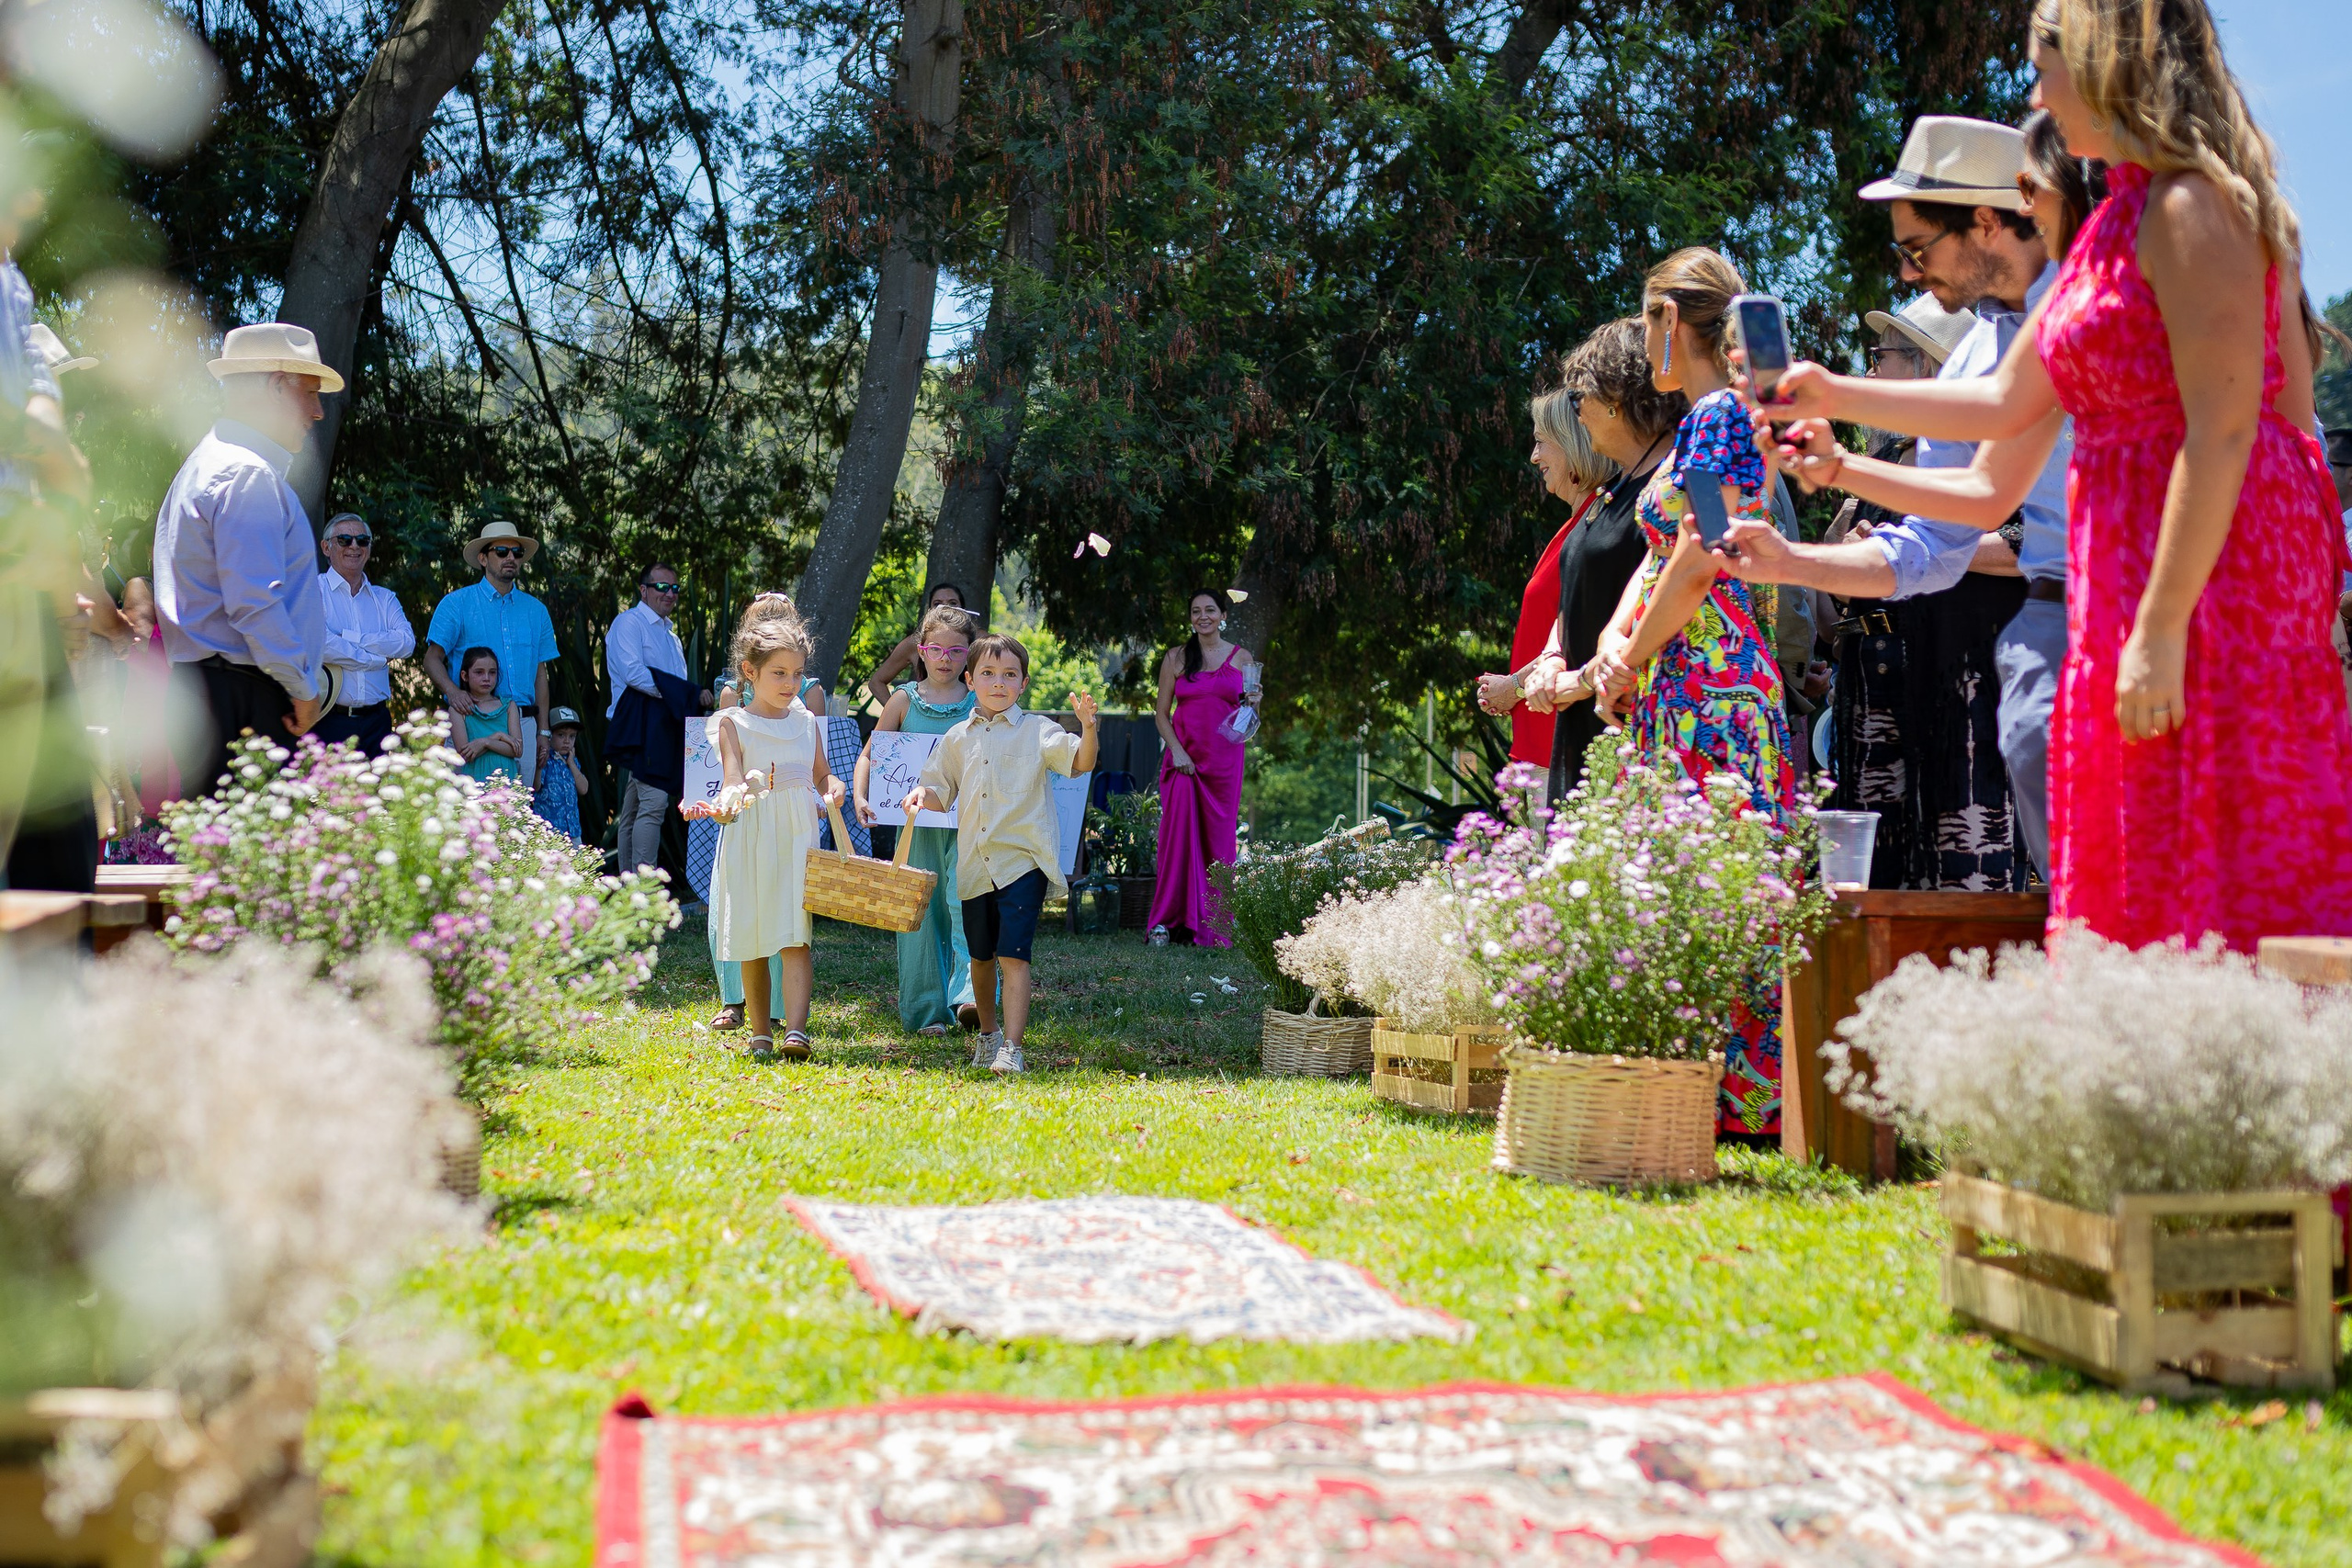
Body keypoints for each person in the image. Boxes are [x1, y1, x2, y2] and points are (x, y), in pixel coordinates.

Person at [1756, 0, 2352, 951]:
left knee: (2220, 863)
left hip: (2209, 574)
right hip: (2122, 567)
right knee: (2127, 861)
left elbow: (2230, 430)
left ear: (2106, 63)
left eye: (2044, 69)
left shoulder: (2195, 205)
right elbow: (2001, 407)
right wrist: (1828, 392)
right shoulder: (2111, 226)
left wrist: (2160, 630)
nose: (2032, 96)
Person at [1717, 115, 2075, 882]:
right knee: (2091, 905)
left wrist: (1837, 415)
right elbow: (1930, 547)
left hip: (2157, 613)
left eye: (1918, 250)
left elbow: (1996, 449)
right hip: (2051, 630)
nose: (1910, 276)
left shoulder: (2087, 301)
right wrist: (1792, 558)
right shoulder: (1978, 346)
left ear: (1986, 220)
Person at [1589, 248, 1797, 1136]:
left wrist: (1630, 654)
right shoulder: (1710, 424)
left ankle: (1731, 1100)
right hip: (1687, 675)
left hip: (1712, 685)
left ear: (1672, 321)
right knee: (1692, 883)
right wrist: (1611, 642)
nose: (1643, 345)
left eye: (1645, 323)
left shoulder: (1717, 417)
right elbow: (1660, 553)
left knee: (1718, 887)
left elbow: (1707, 552)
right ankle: (1695, 1090)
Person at [1819, 292, 2031, 891]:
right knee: (1879, 878)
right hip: (1878, 698)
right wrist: (1855, 548)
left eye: (1880, 356)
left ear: (1927, 369)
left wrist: (1930, 554)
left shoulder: (1997, 454)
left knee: (1963, 868)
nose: (1869, 371)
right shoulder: (1881, 460)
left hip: (1961, 691)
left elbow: (2029, 544)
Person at [1499, 321, 1684, 802]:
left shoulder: (1673, 483)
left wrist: (1584, 678)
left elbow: (1673, 587)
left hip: (1635, 723)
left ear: (1615, 399)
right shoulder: (1616, 489)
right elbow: (1576, 598)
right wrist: (1554, 653)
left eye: (1581, 395)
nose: (1576, 409)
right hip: (1580, 720)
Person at [153, 323, 334, 801]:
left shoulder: (207, 462)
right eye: (310, 393)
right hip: (245, 694)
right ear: (276, 385)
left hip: (214, 690)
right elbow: (254, 601)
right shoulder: (246, 472)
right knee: (254, 866)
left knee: (223, 860)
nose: (317, 412)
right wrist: (302, 689)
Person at [906, 634, 1101, 1075]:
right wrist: (921, 795)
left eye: (1009, 674)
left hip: (1022, 863)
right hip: (975, 865)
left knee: (1015, 955)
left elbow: (1081, 762)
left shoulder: (1039, 731)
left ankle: (1013, 1048)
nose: (999, 683)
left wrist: (1087, 727)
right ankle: (988, 1038)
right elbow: (939, 788)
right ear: (970, 680)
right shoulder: (957, 738)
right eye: (989, 674)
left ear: (1024, 682)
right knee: (980, 957)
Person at [694, 610, 841, 1062]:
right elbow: (733, 778)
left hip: (798, 832)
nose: (790, 683)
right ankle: (760, 1032)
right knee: (754, 933)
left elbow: (822, 776)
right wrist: (725, 805)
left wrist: (832, 789)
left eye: (797, 673)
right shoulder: (731, 723)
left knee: (796, 932)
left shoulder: (807, 722)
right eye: (779, 673)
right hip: (753, 830)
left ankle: (796, 1030)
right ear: (749, 672)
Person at [1475, 384, 1616, 768]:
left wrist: (1514, 687)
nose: (1534, 456)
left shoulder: (1599, 526)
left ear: (1572, 443)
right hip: (1545, 744)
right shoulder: (1577, 524)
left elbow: (1583, 635)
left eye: (1541, 442)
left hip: (1568, 751)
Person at [854, 602, 979, 1036]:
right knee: (919, 913)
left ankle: (971, 998)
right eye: (937, 649)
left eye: (957, 651)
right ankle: (928, 1013)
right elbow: (872, 753)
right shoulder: (905, 700)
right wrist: (859, 793)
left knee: (969, 905)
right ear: (920, 651)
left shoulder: (981, 701)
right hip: (915, 827)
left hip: (968, 826)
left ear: (970, 653)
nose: (946, 659)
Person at [1147, 589, 1256, 945]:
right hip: (1184, 762)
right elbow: (1161, 714)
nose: (1203, 616)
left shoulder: (1242, 659)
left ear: (1223, 615)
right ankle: (1168, 921)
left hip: (1224, 764)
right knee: (1176, 840)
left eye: (1210, 610)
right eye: (1196, 611)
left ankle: (1217, 922)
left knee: (1219, 840)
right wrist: (1177, 751)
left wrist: (1255, 703)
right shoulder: (1176, 657)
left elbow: (1250, 718)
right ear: (1190, 617)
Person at [423, 519, 556, 791]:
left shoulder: (536, 611)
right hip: (471, 721)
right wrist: (453, 691)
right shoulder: (456, 604)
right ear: (483, 558)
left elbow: (540, 675)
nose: (511, 557)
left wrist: (543, 731)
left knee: (519, 817)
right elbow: (431, 659)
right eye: (502, 551)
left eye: (517, 553)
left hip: (524, 724)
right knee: (466, 814)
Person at [605, 560, 694, 874]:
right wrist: (684, 695)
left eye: (674, 588)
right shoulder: (628, 624)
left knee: (633, 810)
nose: (669, 594)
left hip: (664, 729)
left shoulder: (673, 638)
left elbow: (676, 683)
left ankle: (630, 887)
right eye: (661, 587)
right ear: (643, 590)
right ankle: (645, 892)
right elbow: (633, 675)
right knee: (654, 806)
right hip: (639, 728)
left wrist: (683, 697)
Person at [312, 512, 413, 755]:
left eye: (362, 540)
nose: (354, 546)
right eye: (345, 540)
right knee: (329, 793)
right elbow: (319, 643)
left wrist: (351, 638)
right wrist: (375, 660)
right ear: (326, 547)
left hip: (377, 722)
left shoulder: (384, 598)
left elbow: (407, 643)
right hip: (329, 720)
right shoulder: (314, 590)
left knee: (377, 792)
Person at [865, 581, 971, 706]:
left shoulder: (980, 641)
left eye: (953, 603)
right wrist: (900, 714)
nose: (945, 607)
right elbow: (877, 682)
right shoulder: (913, 643)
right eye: (937, 603)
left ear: (963, 609)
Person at [449, 647, 521, 783]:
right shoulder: (458, 710)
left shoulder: (509, 706)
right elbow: (466, 754)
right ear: (465, 676)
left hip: (506, 782)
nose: (486, 678)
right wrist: (498, 736)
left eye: (492, 672)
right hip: (475, 782)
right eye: (479, 672)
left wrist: (484, 742)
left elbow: (517, 750)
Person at [533, 705, 589, 840]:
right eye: (561, 735)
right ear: (550, 735)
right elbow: (535, 787)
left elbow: (583, 788)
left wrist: (572, 764)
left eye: (572, 736)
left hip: (573, 830)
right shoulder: (546, 759)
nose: (566, 741)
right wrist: (539, 765)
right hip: (548, 832)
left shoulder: (572, 761)